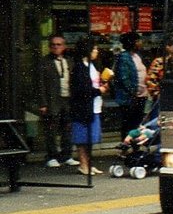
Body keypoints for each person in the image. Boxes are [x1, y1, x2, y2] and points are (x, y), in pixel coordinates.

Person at [36, 34, 79, 168]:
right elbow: (40, 84)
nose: (56, 47)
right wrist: (42, 103)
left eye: (59, 44)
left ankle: (67, 155)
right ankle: (52, 156)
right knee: (51, 129)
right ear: (49, 47)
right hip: (52, 100)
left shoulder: (70, 61)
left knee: (67, 128)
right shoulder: (44, 62)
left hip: (67, 98)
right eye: (53, 45)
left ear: (64, 46)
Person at [68, 35, 106, 177]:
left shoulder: (91, 66)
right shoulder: (79, 67)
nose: (96, 51)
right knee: (82, 138)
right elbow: (81, 89)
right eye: (94, 49)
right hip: (83, 107)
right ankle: (83, 165)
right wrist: (98, 91)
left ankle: (89, 164)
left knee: (90, 138)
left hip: (94, 106)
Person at [113, 32, 148, 137]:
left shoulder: (137, 56)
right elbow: (124, 78)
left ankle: (135, 146)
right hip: (131, 98)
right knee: (129, 124)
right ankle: (127, 146)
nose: (141, 43)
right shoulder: (124, 57)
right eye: (138, 41)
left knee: (137, 123)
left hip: (140, 96)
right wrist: (133, 93)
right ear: (133, 43)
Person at [145, 37, 173, 102]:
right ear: (167, 47)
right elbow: (150, 80)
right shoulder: (159, 61)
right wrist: (156, 94)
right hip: (162, 96)